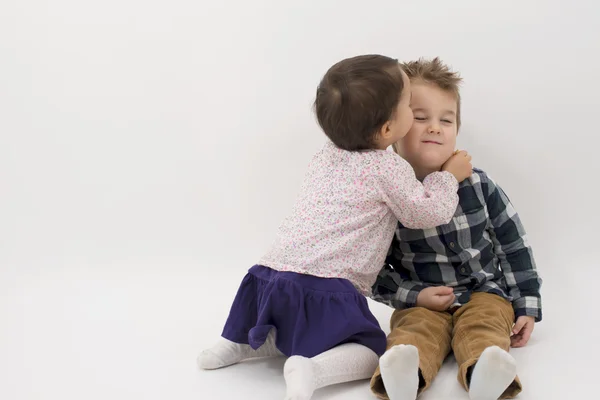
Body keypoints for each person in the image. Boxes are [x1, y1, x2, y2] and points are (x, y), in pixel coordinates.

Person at [196, 54, 473, 400]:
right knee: (372, 349)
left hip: (270, 275)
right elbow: (425, 212)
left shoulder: (326, 152)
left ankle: (234, 343)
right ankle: (313, 370)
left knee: (281, 321)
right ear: (388, 129)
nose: (412, 107)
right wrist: (448, 177)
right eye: (409, 105)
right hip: (325, 287)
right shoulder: (389, 168)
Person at [369, 58, 543, 400]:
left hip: (484, 293)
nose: (435, 127)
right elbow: (371, 269)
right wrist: (413, 295)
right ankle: (405, 375)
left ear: (456, 130)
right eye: (420, 118)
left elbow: (513, 244)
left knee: (486, 324)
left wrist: (526, 304)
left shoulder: (479, 185)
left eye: (445, 120)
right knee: (414, 330)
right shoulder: (385, 198)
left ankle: (485, 373)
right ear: (392, 130)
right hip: (423, 301)